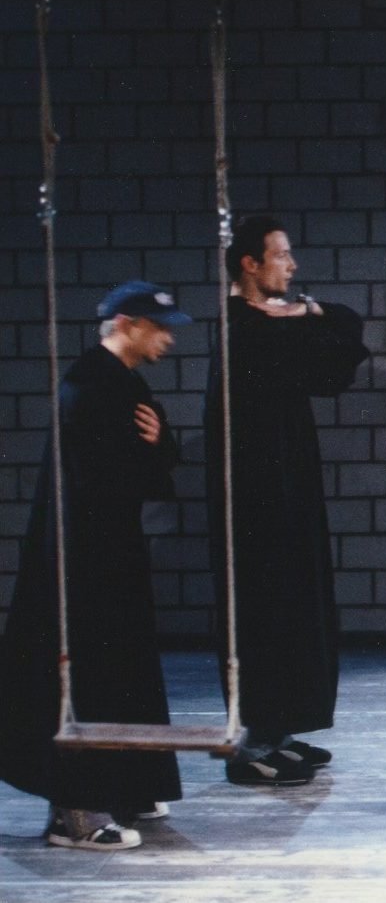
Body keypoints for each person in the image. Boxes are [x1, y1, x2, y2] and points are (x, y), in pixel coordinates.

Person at [0, 281, 190, 850]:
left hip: (110, 550)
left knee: (124, 667)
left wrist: (158, 445)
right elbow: (106, 476)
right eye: (159, 327)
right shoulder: (88, 386)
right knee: (88, 672)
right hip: (82, 558)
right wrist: (152, 451)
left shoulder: (122, 381)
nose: (168, 338)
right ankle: (74, 812)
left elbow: (158, 451)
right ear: (127, 325)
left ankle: (130, 784)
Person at [205, 216, 368, 786]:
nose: (292, 266)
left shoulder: (268, 322)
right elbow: (338, 350)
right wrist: (303, 315)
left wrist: (304, 309)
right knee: (264, 607)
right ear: (250, 264)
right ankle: (253, 743)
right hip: (256, 497)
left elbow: (345, 334)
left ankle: (276, 731)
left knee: (292, 601)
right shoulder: (247, 329)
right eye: (281, 255)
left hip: (283, 482)